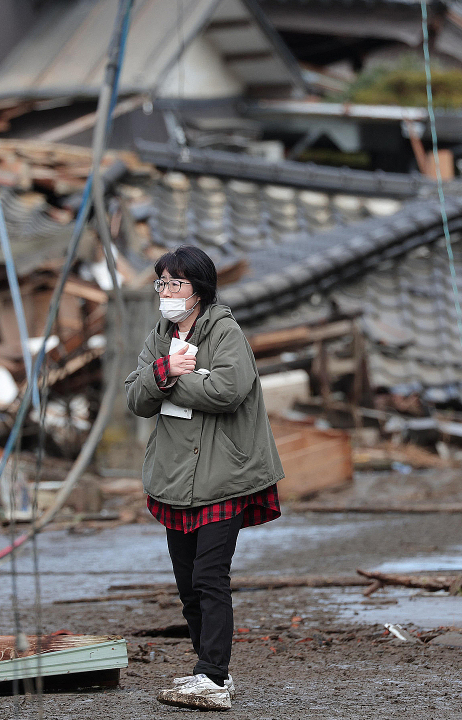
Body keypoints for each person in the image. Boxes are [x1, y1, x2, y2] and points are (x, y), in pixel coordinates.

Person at [125, 245, 284, 711]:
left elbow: (228, 389)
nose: (167, 292)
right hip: (174, 477)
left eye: (176, 283)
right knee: (187, 583)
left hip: (222, 476)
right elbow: (135, 396)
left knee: (211, 576)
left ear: (200, 290)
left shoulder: (225, 331)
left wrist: (173, 382)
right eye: (162, 283)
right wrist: (165, 371)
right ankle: (211, 669)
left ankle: (211, 676)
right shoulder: (160, 334)